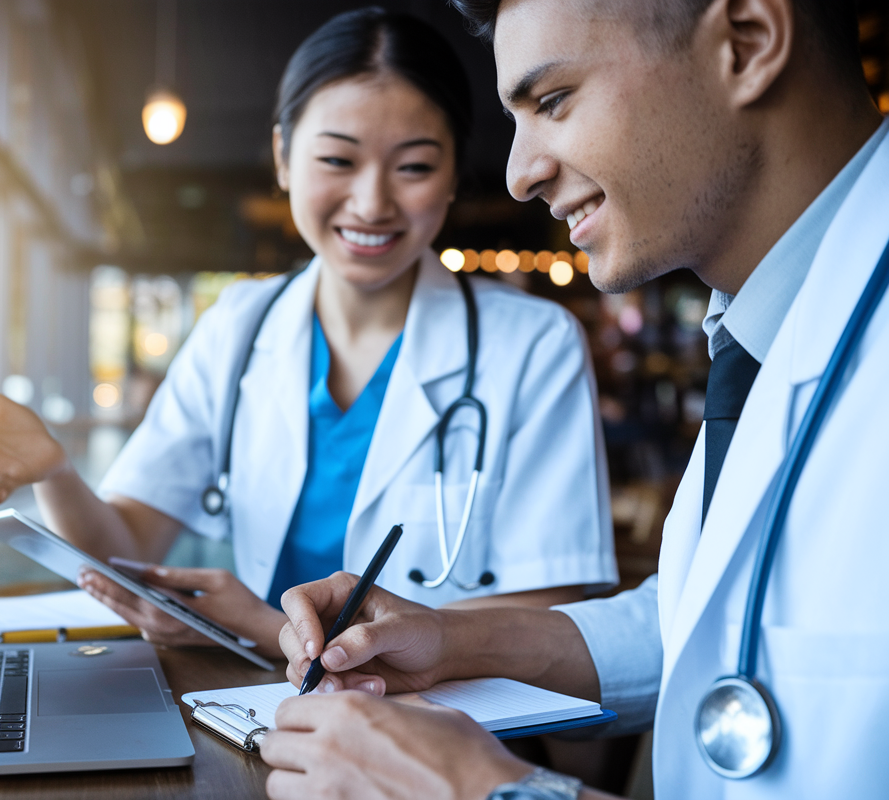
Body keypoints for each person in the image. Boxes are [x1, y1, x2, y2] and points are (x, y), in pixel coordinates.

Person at [267, 0, 887, 797]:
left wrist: (492, 791)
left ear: (748, 43)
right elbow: (697, 626)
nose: (521, 172)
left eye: (553, 101)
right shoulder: (765, 331)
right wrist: (450, 640)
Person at [0, 7, 617, 658]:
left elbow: (556, 623)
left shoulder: (532, 345)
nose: (372, 201)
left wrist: (266, 630)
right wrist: (56, 474)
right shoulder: (238, 328)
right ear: (282, 159)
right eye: (336, 159)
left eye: (415, 167)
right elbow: (127, 550)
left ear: (456, 173)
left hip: (450, 734)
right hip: (263, 716)